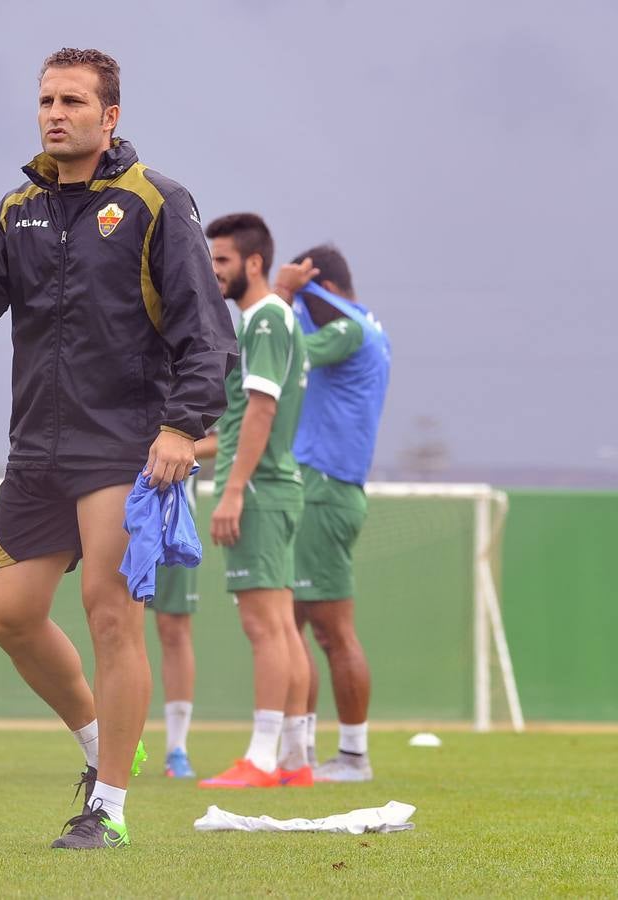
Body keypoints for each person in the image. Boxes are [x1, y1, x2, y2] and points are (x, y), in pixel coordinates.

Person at [0, 48, 233, 848]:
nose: (56, 113)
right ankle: (99, 751)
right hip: (38, 446)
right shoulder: (17, 207)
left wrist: (180, 425)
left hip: (125, 440)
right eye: (47, 99)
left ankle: (110, 811)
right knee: (9, 614)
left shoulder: (159, 201)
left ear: (109, 117)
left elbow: (207, 331)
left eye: (74, 101)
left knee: (108, 613)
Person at [199, 213, 312, 790]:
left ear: (254, 263)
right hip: (276, 487)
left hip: (261, 491)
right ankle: (294, 759)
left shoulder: (265, 320)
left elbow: (261, 413)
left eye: (222, 260)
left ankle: (263, 759)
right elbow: (239, 423)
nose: (213, 270)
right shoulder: (271, 318)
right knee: (282, 627)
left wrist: (233, 491)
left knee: (265, 629)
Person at [274, 244, 390, 782]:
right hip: (317, 487)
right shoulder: (361, 328)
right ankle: (296, 752)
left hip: (326, 491)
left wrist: (283, 295)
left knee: (331, 632)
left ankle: (353, 756)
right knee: (289, 624)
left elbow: (288, 352)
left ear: (329, 290)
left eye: (311, 296)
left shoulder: (350, 330)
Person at [151, 435, 215, 779]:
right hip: (119, 505)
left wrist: (171, 447)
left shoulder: (193, 384)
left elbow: (220, 438)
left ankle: (177, 748)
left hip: (174, 514)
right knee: (113, 622)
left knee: (173, 629)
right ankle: (107, 746)